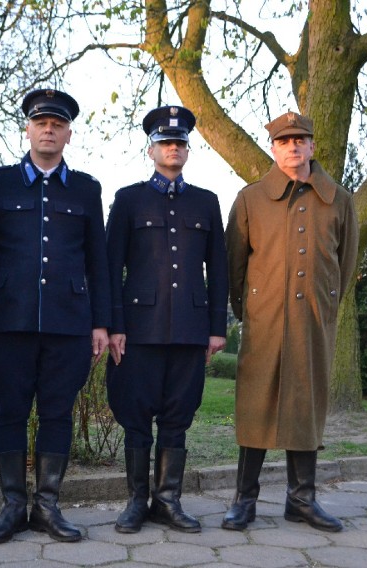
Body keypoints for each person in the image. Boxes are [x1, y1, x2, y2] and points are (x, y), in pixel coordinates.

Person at [0, 88, 111, 544]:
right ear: (28, 129)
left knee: (58, 413)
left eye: (57, 124)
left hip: (68, 324)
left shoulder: (88, 189)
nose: (48, 130)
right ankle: (14, 505)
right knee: (9, 412)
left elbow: (99, 261)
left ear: (69, 134)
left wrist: (101, 323)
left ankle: (48, 506)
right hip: (8, 322)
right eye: (41, 123)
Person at [223, 111, 358, 533]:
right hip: (264, 321)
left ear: (313, 147)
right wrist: (250, 310)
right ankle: (245, 501)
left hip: (313, 321)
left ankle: (302, 500)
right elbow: (234, 266)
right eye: (285, 141)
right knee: (256, 404)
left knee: (306, 403)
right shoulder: (250, 199)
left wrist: (326, 306)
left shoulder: (339, 199)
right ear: (274, 148)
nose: (294, 146)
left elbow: (345, 262)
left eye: (301, 139)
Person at [105, 105, 229, 534]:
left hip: (190, 330)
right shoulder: (128, 200)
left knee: (178, 416)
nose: (172, 148)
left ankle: (169, 500)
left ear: (188, 151)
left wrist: (217, 328)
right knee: (136, 416)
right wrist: (114, 324)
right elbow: (110, 266)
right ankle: (137, 501)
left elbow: (219, 268)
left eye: (179, 143)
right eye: (165, 142)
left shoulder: (207, 202)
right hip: (138, 331)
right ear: (151, 149)